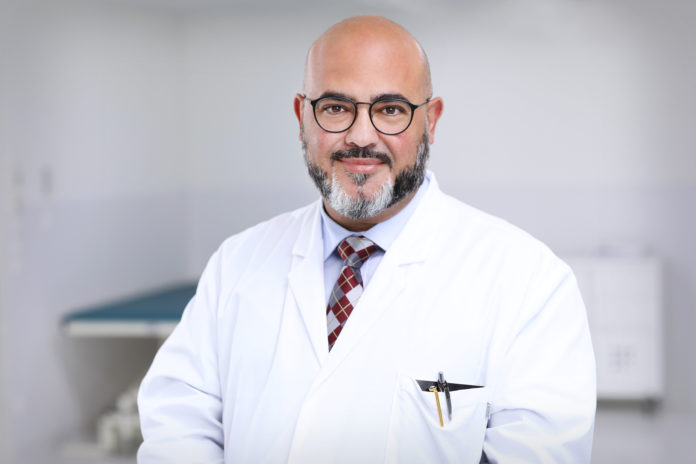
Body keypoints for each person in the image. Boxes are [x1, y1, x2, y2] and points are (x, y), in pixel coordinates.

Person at [137, 15, 596, 463]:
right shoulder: (237, 262)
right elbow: (179, 425)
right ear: (302, 117)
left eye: (390, 109)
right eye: (336, 107)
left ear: (430, 120)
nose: (360, 137)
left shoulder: (528, 280)